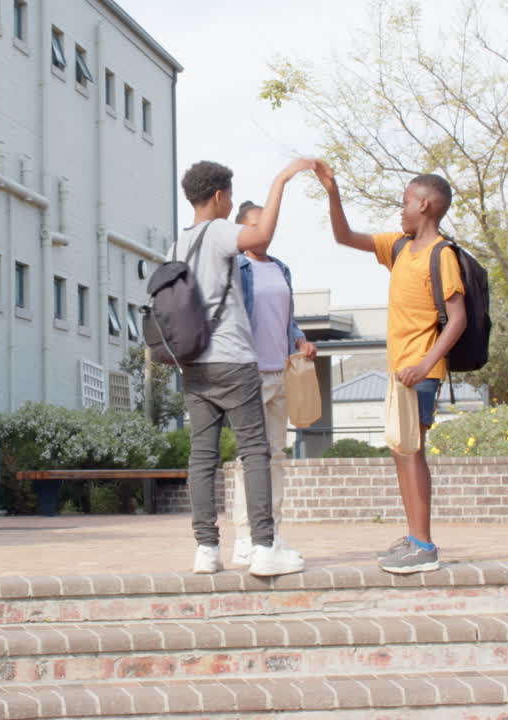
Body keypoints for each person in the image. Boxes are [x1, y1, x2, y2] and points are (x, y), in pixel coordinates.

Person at [312, 162, 467, 574]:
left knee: (412, 453)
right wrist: (332, 191)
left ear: (425, 204)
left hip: (421, 374)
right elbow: (344, 236)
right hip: (401, 374)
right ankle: (415, 538)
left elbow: (458, 319)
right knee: (403, 452)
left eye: (404, 202)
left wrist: (425, 363)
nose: (400, 210)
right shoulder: (399, 246)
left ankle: (425, 546)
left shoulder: (441, 255)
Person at [171, 159, 313, 577]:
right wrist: (281, 179)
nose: (230, 202)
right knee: (255, 451)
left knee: (202, 456)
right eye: (229, 195)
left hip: (194, 364)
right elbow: (262, 234)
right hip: (232, 359)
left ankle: (206, 550)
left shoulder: (177, 243)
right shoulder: (217, 231)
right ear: (218, 196)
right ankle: (264, 547)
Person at [228, 200, 317, 567]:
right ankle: (245, 537)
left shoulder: (281, 269)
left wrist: (300, 340)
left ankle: (272, 533)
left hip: (281, 372)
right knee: (249, 458)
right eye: (255, 225)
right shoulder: (236, 267)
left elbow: (287, 319)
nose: (263, 231)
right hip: (249, 373)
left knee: (276, 457)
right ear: (241, 230)